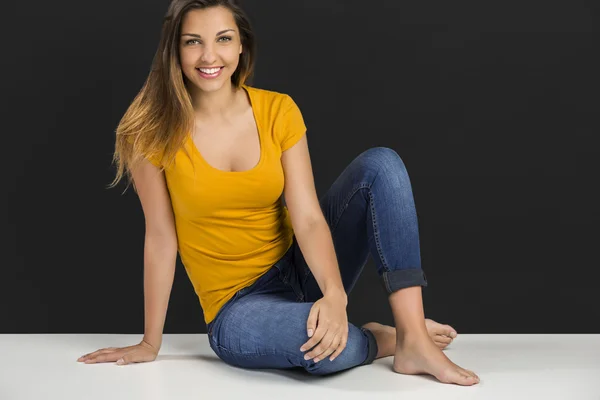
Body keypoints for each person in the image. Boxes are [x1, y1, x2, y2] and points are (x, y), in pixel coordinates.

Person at [79, 0, 480, 386]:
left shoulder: (278, 111)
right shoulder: (149, 133)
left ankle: (415, 338)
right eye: (192, 41)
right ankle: (383, 340)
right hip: (237, 308)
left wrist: (335, 295)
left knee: (382, 165)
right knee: (328, 352)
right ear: (174, 49)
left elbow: (306, 216)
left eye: (222, 38)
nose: (208, 56)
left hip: (298, 268)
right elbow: (162, 238)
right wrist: (151, 342)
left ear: (241, 44)